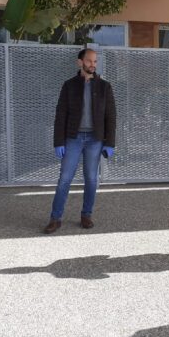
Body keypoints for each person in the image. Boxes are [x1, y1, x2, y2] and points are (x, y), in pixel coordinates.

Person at [44, 48, 116, 234]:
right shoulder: (69, 86)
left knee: (91, 179)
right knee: (64, 179)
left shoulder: (104, 87)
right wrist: (58, 142)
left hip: (94, 139)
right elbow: (61, 114)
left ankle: (86, 215)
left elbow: (111, 116)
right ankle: (55, 218)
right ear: (80, 62)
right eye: (89, 61)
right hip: (73, 138)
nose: (93, 64)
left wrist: (110, 143)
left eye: (95, 61)